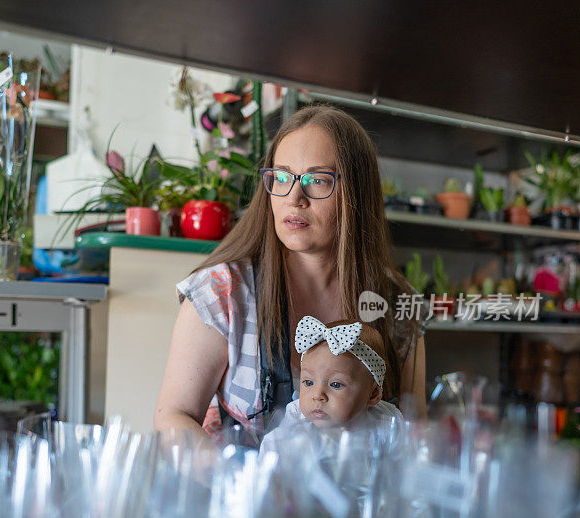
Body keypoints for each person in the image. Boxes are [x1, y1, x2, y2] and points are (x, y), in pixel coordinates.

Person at [154, 104, 425, 437]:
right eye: (281, 177)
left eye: (318, 180)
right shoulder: (222, 292)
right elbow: (174, 417)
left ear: (356, 194)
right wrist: (233, 476)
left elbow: (414, 431)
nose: (294, 197)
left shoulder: (396, 304)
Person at [261, 317, 401, 452]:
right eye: (309, 382)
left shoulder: (386, 425)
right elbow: (271, 452)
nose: (317, 395)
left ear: (373, 394)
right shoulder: (295, 427)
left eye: (336, 384)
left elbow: (403, 465)